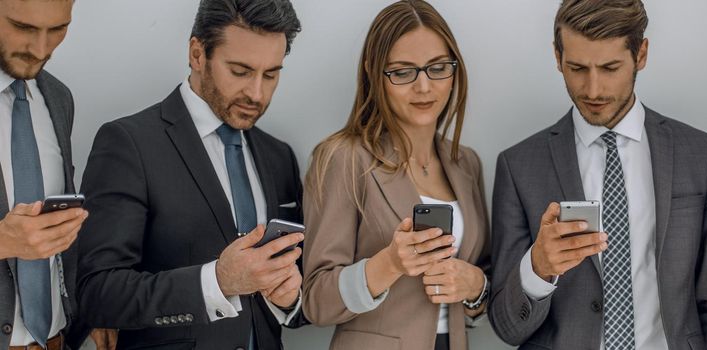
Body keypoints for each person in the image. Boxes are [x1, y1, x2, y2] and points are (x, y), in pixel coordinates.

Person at [488, 0, 707, 349]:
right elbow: (506, 327)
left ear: (642, 54)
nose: (593, 90)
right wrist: (538, 268)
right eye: (577, 68)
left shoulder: (701, 154)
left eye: (610, 68)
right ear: (557, 57)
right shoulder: (518, 166)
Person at [77, 0, 306, 349]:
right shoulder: (129, 143)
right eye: (241, 71)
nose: (257, 93)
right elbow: (98, 294)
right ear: (197, 54)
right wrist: (217, 281)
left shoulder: (279, 156)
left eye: (271, 74)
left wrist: (288, 298)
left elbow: (294, 290)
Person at [301, 1, 490, 349]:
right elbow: (315, 301)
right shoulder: (344, 158)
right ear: (376, 74)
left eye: (437, 68)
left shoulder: (466, 164)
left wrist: (476, 286)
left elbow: (480, 286)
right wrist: (388, 263)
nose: (423, 87)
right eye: (403, 72)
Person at [0, 1, 113, 349]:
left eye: (58, 29)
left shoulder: (58, 98)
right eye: (23, 27)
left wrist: (92, 308)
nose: (41, 49)